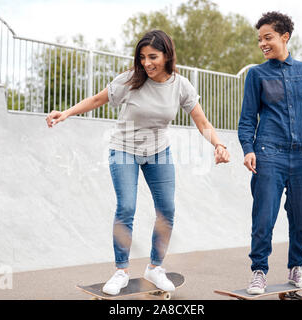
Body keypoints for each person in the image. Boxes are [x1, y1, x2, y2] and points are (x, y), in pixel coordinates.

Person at [46, 30, 230, 295]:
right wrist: (66, 113)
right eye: (142, 57)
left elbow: (201, 121)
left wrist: (219, 145)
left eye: (153, 57)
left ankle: (155, 268)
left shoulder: (181, 85)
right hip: (124, 150)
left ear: (167, 55)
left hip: (159, 152)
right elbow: (98, 99)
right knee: (126, 207)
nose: (147, 63)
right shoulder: (130, 80)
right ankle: (121, 271)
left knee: (166, 210)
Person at [237, 12, 302, 295]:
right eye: (260, 39)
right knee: (263, 217)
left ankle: (297, 266)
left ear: (284, 36)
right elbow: (247, 119)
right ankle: (259, 272)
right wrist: (248, 150)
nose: (262, 43)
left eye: (268, 37)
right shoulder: (256, 74)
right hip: (268, 154)